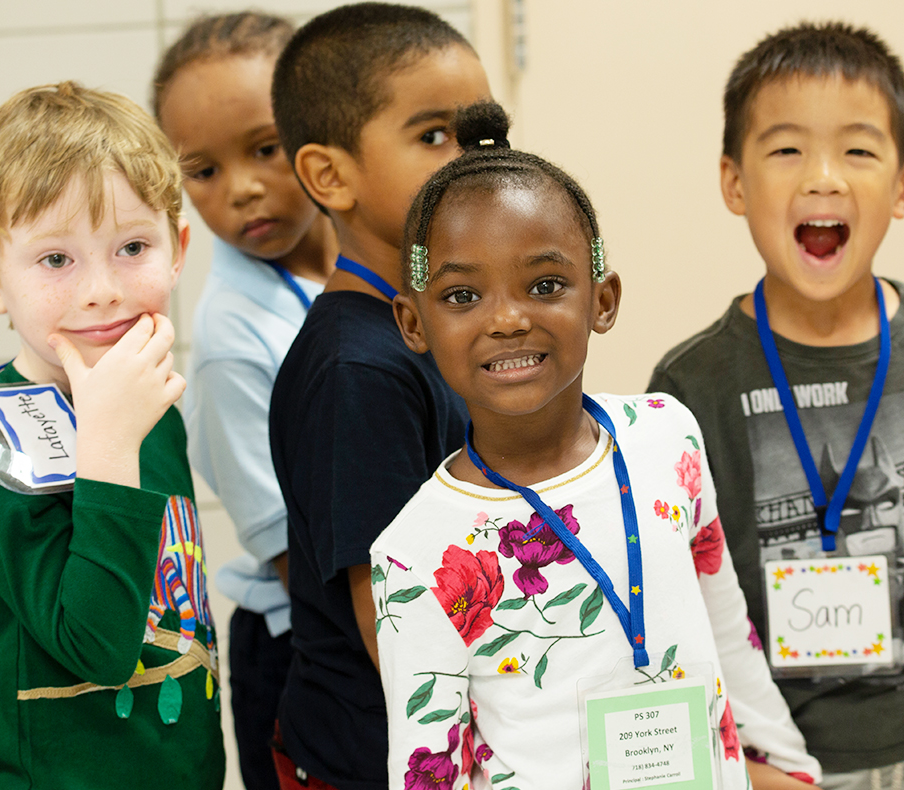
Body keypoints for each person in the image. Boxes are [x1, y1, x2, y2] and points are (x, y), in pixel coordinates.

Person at [370, 101, 822, 790]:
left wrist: (791, 768)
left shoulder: (666, 434)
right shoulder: (413, 551)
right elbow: (425, 770)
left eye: (545, 285)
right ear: (413, 322)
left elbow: (727, 626)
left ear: (602, 300)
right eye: (462, 296)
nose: (508, 318)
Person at [648, 21, 904, 790]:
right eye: (786, 149)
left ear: (899, 185)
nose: (822, 177)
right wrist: (750, 768)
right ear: (733, 182)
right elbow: (676, 610)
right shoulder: (689, 387)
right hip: (773, 767)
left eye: (857, 149)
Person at [267, 4, 490, 789]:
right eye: (433, 136)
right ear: (330, 176)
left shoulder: (428, 328)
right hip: (380, 760)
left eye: (482, 135)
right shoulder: (355, 371)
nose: (471, 162)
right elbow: (393, 628)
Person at [0, 82, 224, 789]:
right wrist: (108, 447)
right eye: (55, 260)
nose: (102, 290)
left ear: (177, 250)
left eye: (131, 247)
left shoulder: (152, 407)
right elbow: (93, 647)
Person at [153, 13, 336, 790]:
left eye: (264, 149)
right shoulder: (232, 339)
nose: (242, 189)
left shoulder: (378, 264)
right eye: (203, 171)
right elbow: (291, 552)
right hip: (309, 645)